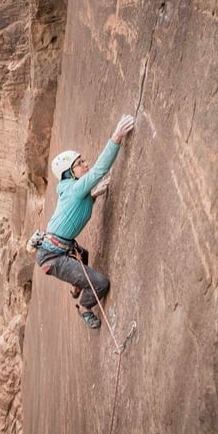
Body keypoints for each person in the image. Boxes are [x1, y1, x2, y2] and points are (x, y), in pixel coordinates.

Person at [34, 114, 135, 329]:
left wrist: (93, 195)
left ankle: (76, 285)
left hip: (59, 246)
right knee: (100, 284)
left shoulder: (74, 189)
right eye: (79, 164)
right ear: (69, 173)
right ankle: (85, 307)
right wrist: (116, 137)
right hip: (52, 256)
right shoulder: (75, 188)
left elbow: (75, 208)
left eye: (82, 161)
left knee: (85, 255)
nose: (85, 164)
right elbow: (100, 169)